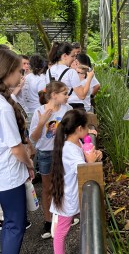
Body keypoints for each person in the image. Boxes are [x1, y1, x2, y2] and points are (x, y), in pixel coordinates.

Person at [50, 109, 102, 254]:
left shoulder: (76, 141)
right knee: (61, 232)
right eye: (87, 127)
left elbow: (84, 159)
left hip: (74, 192)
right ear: (79, 129)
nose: (88, 130)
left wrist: (94, 156)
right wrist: (91, 161)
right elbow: (84, 172)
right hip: (67, 196)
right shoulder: (69, 150)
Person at [0, 48, 35, 254]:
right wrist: (30, 164)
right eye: (18, 70)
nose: (21, 75)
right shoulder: (4, 107)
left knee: (9, 224)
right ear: (6, 71)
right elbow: (16, 149)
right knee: (16, 225)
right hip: (8, 175)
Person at [29, 81, 73, 239]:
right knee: (47, 188)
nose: (67, 96)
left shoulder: (68, 109)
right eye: (64, 93)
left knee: (64, 184)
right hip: (46, 153)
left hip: (63, 151)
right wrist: (41, 123)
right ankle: (48, 222)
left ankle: (63, 217)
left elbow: (73, 130)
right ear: (54, 95)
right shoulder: (39, 111)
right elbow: (33, 138)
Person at [46, 42, 94, 110]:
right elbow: (82, 96)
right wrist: (89, 78)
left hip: (54, 109)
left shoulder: (49, 71)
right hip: (68, 109)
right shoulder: (71, 72)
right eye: (72, 56)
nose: (74, 59)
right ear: (65, 56)